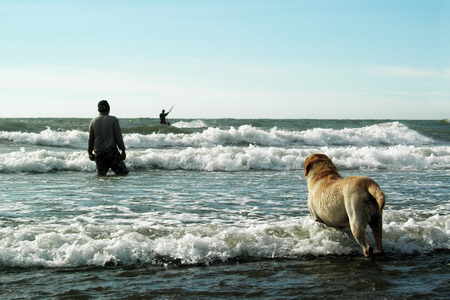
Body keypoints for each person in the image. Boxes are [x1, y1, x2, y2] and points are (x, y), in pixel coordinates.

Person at [88, 100, 129, 175]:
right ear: (108, 108)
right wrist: (122, 150)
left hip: (99, 153)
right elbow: (118, 137)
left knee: (101, 175)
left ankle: (101, 187)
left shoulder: (93, 121)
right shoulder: (113, 120)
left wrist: (90, 152)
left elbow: (91, 139)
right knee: (123, 173)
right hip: (111, 152)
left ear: (98, 110)